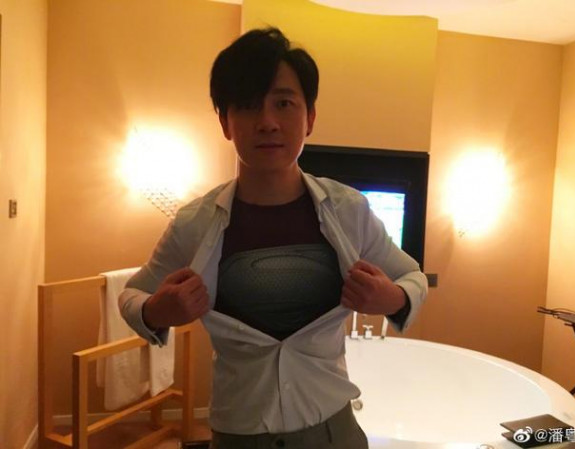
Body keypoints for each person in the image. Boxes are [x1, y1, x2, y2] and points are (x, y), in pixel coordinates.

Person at [119, 27, 428, 449]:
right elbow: (132, 295)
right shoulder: (194, 223)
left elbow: (412, 277)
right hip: (240, 433)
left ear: (310, 117)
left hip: (333, 432)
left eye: (283, 103)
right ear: (225, 123)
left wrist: (391, 298)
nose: (267, 123)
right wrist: (158, 309)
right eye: (248, 106)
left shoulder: (348, 210)